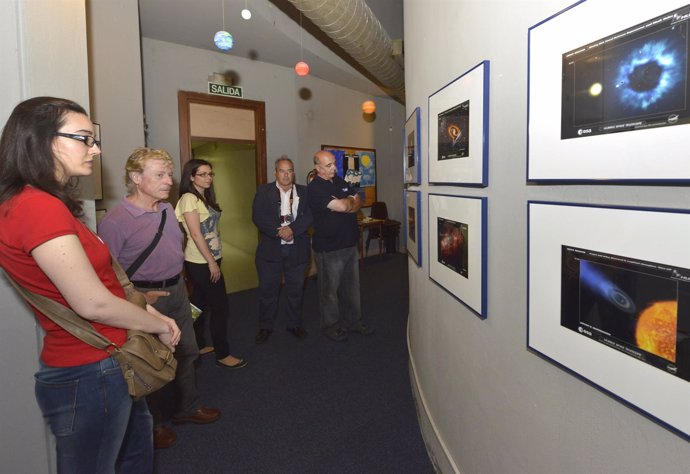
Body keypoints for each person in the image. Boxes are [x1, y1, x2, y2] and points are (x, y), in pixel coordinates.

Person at [0, 97, 181, 472]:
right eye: (84, 137)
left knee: (134, 452)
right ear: (45, 141)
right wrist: (160, 324)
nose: (95, 148)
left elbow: (104, 284)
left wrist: (142, 308)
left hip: (104, 360)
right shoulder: (36, 207)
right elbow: (92, 303)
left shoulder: (37, 203)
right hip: (90, 369)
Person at [99, 147, 220, 450]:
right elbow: (107, 274)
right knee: (149, 362)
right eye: (160, 175)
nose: (169, 181)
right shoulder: (116, 221)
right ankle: (153, 426)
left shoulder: (167, 209)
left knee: (187, 352)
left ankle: (187, 408)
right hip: (143, 299)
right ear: (136, 178)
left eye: (169, 174)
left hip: (177, 290)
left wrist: (181, 281)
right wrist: (138, 297)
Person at [175, 158, 246, 368]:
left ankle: (193, 344)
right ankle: (223, 354)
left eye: (210, 174)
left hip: (210, 258)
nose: (208, 178)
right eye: (202, 174)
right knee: (220, 306)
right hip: (200, 262)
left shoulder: (203, 197)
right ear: (191, 177)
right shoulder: (189, 198)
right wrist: (211, 263)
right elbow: (196, 235)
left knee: (198, 304)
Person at [307, 150, 375, 342]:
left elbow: (358, 201)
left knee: (352, 288)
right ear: (317, 168)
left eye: (334, 163)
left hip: (349, 244)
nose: (334, 168)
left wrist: (348, 203)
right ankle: (330, 326)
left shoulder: (339, 181)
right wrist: (348, 203)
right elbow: (346, 206)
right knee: (329, 291)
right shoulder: (315, 188)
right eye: (328, 165)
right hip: (329, 249)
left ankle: (354, 321)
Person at [252, 156, 313, 344]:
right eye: (282, 171)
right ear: (275, 172)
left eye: (289, 171)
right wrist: (280, 232)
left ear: (293, 173)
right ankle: (265, 327)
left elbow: (311, 215)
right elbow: (257, 217)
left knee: (295, 291)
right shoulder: (264, 191)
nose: (286, 175)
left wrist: (292, 229)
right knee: (268, 291)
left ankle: (293, 324)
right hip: (270, 251)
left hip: (297, 251)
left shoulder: (304, 191)